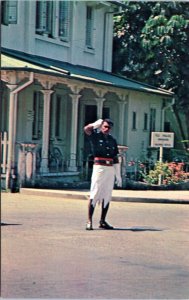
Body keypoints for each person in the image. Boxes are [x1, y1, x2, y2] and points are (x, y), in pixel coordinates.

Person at [84, 118, 122, 230]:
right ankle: (89, 221)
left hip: (109, 169)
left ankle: (102, 221)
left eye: (109, 127)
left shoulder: (112, 140)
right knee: (95, 193)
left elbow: (115, 157)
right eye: (105, 126)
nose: (106, 129)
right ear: (101, 126)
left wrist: (118, 175)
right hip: (99, 167)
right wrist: (95, 124)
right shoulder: (96, 137)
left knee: (107, 194)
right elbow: (86, 129)